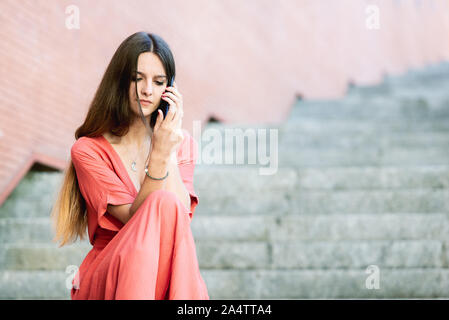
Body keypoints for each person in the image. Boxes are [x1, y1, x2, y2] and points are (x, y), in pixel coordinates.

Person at [50, 31, 209, 300]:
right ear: (120, 82)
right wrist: (158, 154)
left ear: (169, 90)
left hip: (163, 268)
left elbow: (179, 221)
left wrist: (167, 146)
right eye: (138, 79)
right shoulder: (88, 150)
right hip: (111, 267)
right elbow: (140, 222)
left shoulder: (182, 145)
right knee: (161, 203)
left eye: (159, 82)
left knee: (169, 206)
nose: (148, 90)